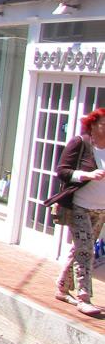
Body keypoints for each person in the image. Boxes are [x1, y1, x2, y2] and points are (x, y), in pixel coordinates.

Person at [51, 107, 105, 316]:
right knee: (86, 250)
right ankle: (84, 298)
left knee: (80, 248)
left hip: (100, 209)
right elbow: (62, 171)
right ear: (92, 124)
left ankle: (62, 287)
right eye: (103, 124)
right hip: (79, 206)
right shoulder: (81, 143)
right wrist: (86, 175)